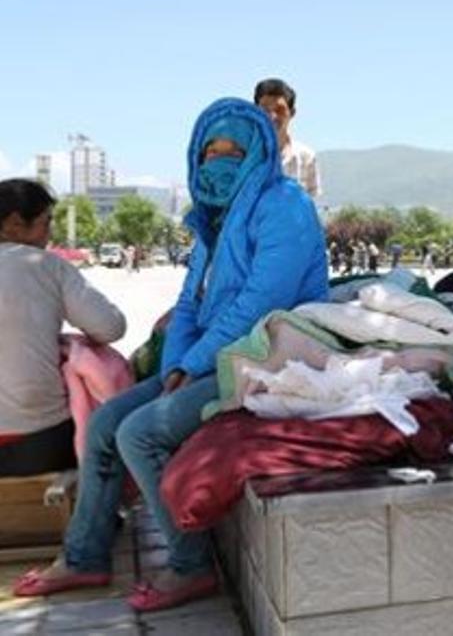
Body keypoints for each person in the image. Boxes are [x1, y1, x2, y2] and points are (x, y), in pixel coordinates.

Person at [12, 98, 329, 611]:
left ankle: (190, 565)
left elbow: (259, 302)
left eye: (234, 150)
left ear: (257, 152)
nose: (220, 160)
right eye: (210, 151)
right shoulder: (211, 218)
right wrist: (174, 366)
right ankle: (85, 554)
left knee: (141, 433)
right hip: (215, 355)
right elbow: (189, 303)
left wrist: (192, 363)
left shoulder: (284, 204)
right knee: (104, 425)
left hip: (270, 354)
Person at [0, 179, 126, 477]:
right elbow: (110, 327)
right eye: (46, 222)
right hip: (39, 442)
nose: (50, 233)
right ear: (15, 224)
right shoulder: (47, 266)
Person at [254, 78, 321, 199]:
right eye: (265, 110)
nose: (272, 116)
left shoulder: (306, 158)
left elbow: (310, 208)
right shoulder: (242, 155)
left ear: (292, 112)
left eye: (279, 110)